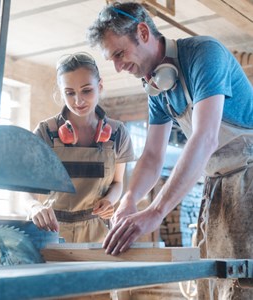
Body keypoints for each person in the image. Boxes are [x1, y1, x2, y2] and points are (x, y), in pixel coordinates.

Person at [87, 2, 253, 299]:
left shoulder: (204, 55)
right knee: (211, 278)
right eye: (111, 59)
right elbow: (152, 156)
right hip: (215, 182)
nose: (117, 67)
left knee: (244, 279)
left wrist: (157, 211)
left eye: (119, 53)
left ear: (142, 32)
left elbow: (205, 137)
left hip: (250, 174)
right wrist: (131, 198)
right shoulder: (155, 88)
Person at [26, 52, 134, 244]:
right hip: (53, 230)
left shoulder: (118, 133)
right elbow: (27, 189)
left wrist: (110, 200)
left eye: (86, 90)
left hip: (98, 233)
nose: (78, 101)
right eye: (69, 93)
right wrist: (34, 206)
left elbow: (117, 183)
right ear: (61, 92)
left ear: (99, 86)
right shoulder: (45, 132)